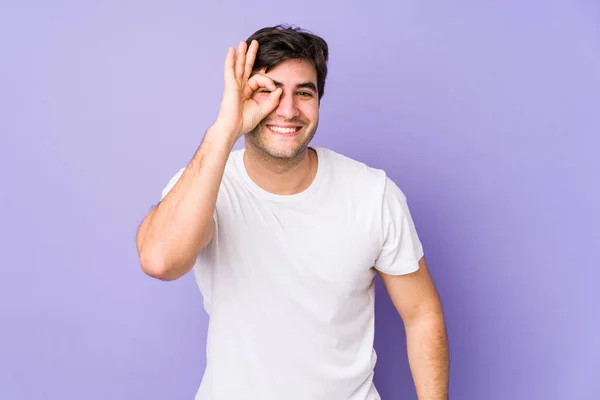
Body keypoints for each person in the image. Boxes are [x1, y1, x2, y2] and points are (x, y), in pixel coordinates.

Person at [136, 25, 448, 400]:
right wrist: (225, 129)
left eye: (304, 92)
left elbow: (422, 314)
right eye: (267, 92)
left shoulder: (372, 194)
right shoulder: (205, 186)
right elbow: (160, 260)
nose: (287, 110)